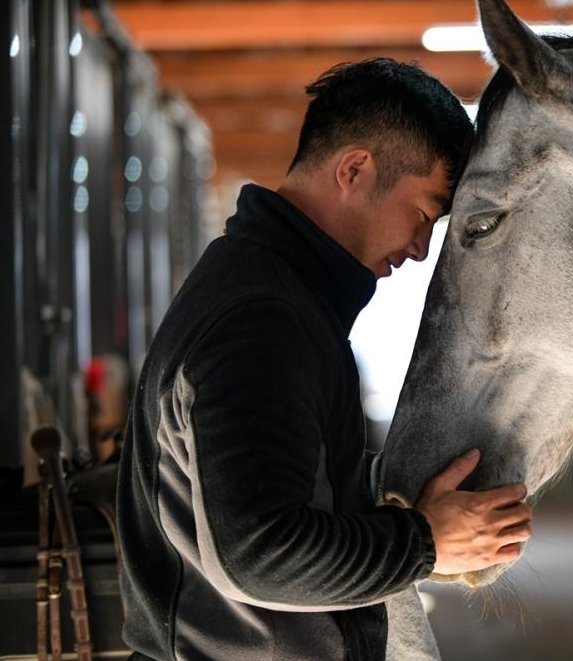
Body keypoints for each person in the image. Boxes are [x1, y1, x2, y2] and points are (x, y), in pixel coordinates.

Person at [116, 58, 533, 661]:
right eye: (423, 214)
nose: (420, 251)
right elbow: (257, 553)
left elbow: (280, 489)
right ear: (355, 168)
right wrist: (426, 542)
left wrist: (400, 496)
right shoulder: (264, 317)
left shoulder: (269, 289)